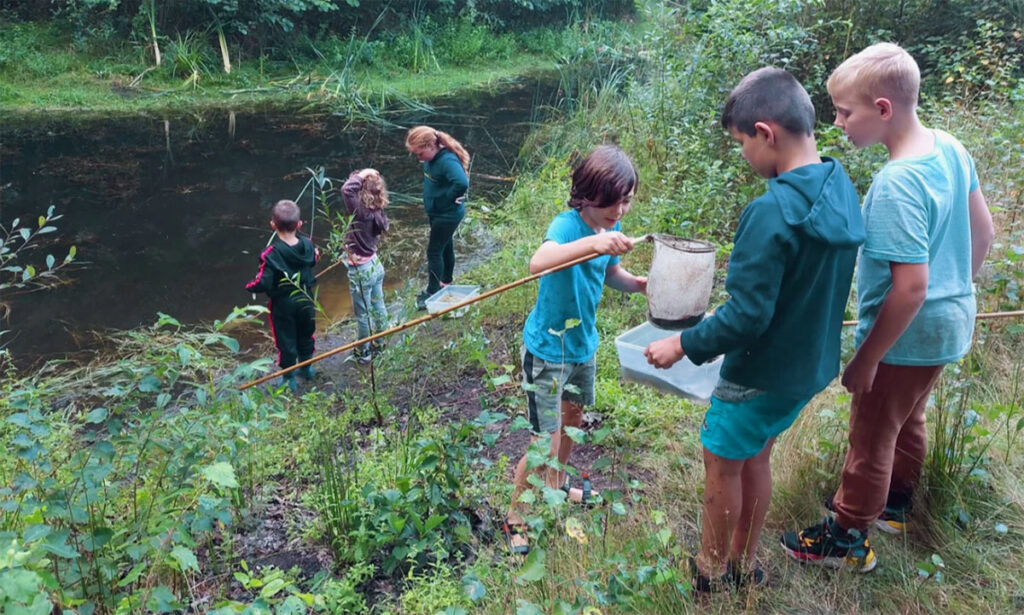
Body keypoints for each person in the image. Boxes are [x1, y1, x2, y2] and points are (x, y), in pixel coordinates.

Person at [644, 67, 865, 591]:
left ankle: (711, 570)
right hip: (807, 369)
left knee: (722, 463)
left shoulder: (770, 212)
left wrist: (682, 343)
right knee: (757, 453)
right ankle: (744, 564)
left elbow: (746, 317)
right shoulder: (840, 187)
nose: (743, 154)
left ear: (766, 133)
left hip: (758, 374)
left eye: (742, 143)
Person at [781, 43, 994, 571]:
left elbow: (910, 288)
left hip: (905, 335)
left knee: (872, 433)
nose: (837, 123)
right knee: (908, 414)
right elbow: (984, 231)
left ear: (882, 109)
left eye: (844, 112)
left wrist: (867, 358)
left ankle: (848, 536)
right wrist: (956, 290)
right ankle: (894, 507)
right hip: (949, 324)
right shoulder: (950, 147)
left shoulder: (897, 183)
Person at [503, 145, 647, 555]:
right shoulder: (567, 226)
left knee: (573, 420)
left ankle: (558, 482)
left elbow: (610, 272)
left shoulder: (607, 229)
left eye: (626, 200)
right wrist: (594, 245)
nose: (620, 210)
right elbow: (539, 262)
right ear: (585, 195)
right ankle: (516, 516)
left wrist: (637, 284)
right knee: (544, 442)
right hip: (548, 351)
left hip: (583, 346)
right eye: (611, 201)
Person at [245, 199, 320, 392]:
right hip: (306, 299)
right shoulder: (308, 245)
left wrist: (250, 286)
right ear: (299, 224)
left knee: (285, 339)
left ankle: (288, 378)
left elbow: (263, 282)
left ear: (273, 225)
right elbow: (313, 259)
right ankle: (307, 369)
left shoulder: (270, 253)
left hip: (283, 304)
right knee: (306, 333)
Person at [405, 125, 470, 310]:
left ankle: (432, 292)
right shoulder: (432, 159)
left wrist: (448, 198)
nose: (419, 158)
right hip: (438, 211)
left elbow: (461, 182)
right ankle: (445, 281)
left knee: (434, 252)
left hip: (447, 214)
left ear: (431, 146)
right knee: (445, 246)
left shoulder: (447, 160)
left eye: (420, 153)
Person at [340, 168, 390, 365]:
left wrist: (364, 173)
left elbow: (347, 190)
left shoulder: (360, 213)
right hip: (375, 265)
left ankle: (364, 351)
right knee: (379, 305)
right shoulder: (377, 210)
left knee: (363, 314)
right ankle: (381, 342)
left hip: (362, 271)